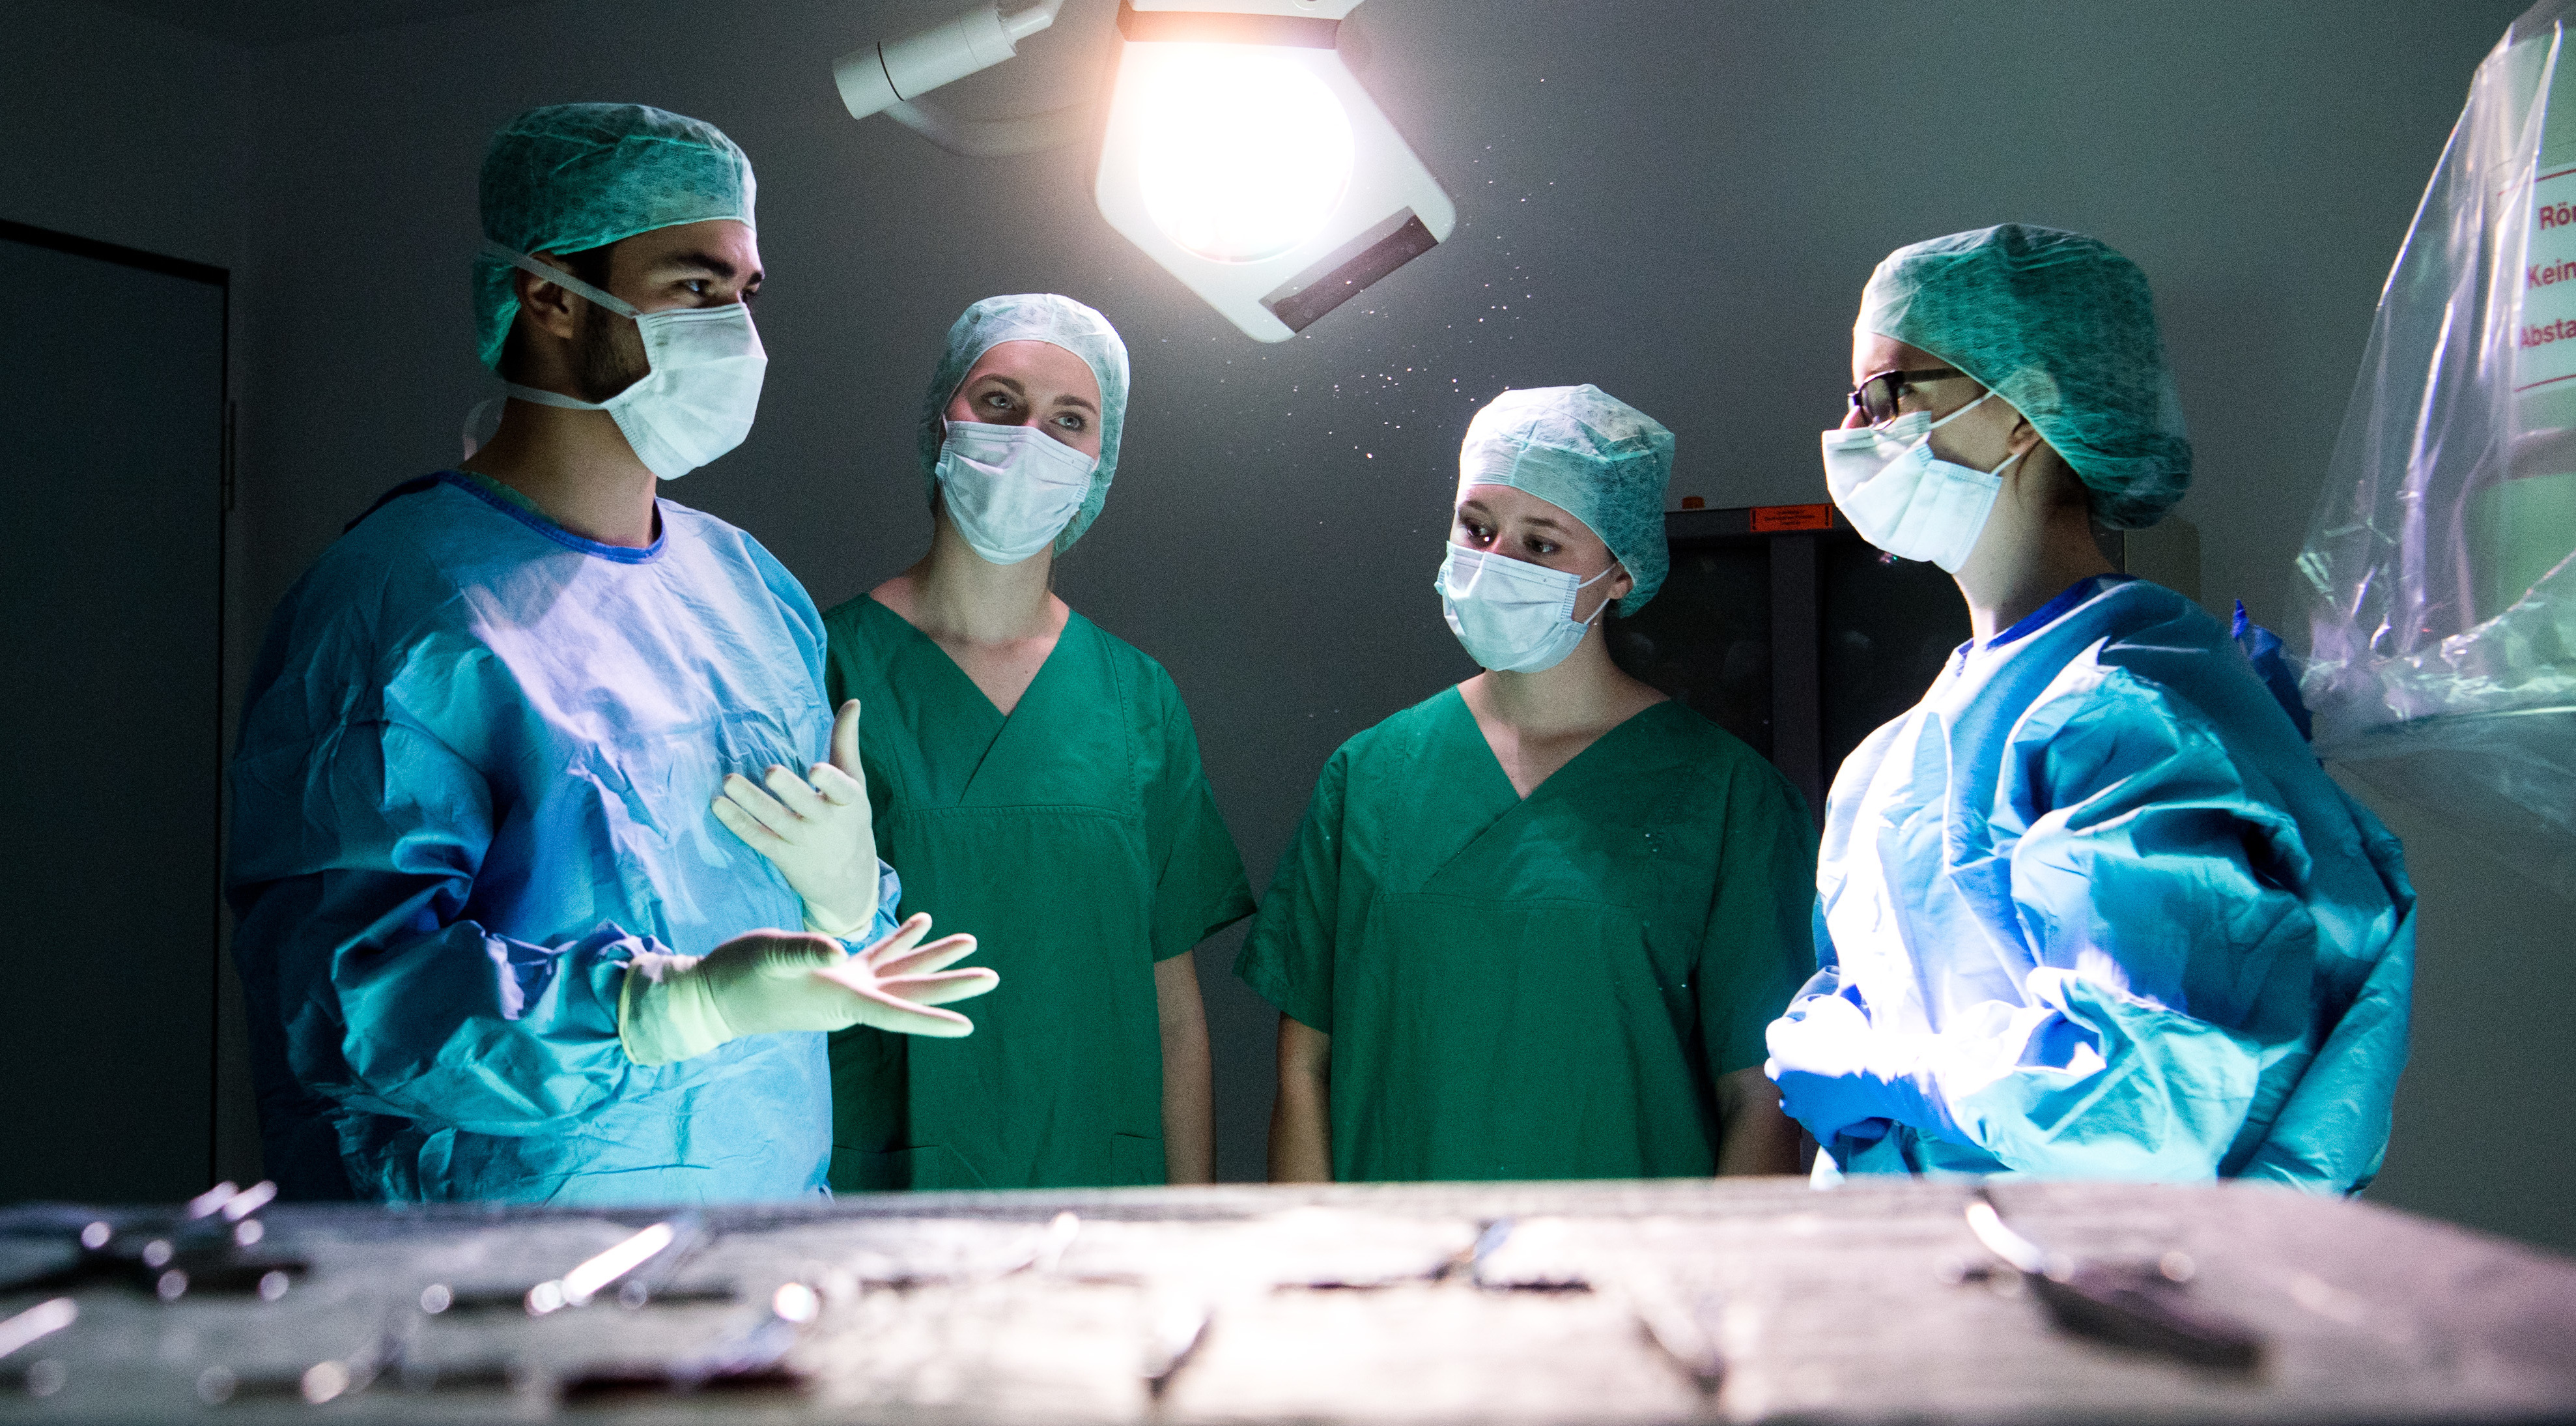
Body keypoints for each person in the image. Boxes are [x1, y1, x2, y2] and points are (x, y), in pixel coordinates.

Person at [228, 103, 995, 1205]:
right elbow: (350, 1004)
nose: (737, 329)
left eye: (745, 290)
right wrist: (667, 1008)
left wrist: (845, 903)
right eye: (694, 287)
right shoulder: (398, 610)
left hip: (758, 1256)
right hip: (494, 1289)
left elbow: (790, 958)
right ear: (547, 296)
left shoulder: (751, 592)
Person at [1768, 223, 2415, 1188]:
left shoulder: (2126, 713)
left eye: (1884, 394)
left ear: (2024, 404)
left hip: (2094, 1309)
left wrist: (1884, 1068)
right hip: (1919, 1296)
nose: (1853, 436)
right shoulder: (1901, 754)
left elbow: (2146, 1114)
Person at [1239, 385, 1819, 1182]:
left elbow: (1759, 1100)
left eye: (1541, 544)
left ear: (1620, 570)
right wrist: (1311, 1285)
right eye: (1476, 529)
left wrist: (1710, 1296)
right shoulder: (1370, 774)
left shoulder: (1724, 797)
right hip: (1396, 1277)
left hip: (1625, 1275)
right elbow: (1304, 1072)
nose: (1493, 562)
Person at [821, 294, 1254, 1190]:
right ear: (942, 415)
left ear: (1101, 462)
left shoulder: (1135, 698)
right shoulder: (823, 662)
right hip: (881, 1190)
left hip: (1099, 1189)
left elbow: (1171, 1012)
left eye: (1070, 420)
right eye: (999, 402)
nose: (1030, 439)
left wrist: (1190, 1226)